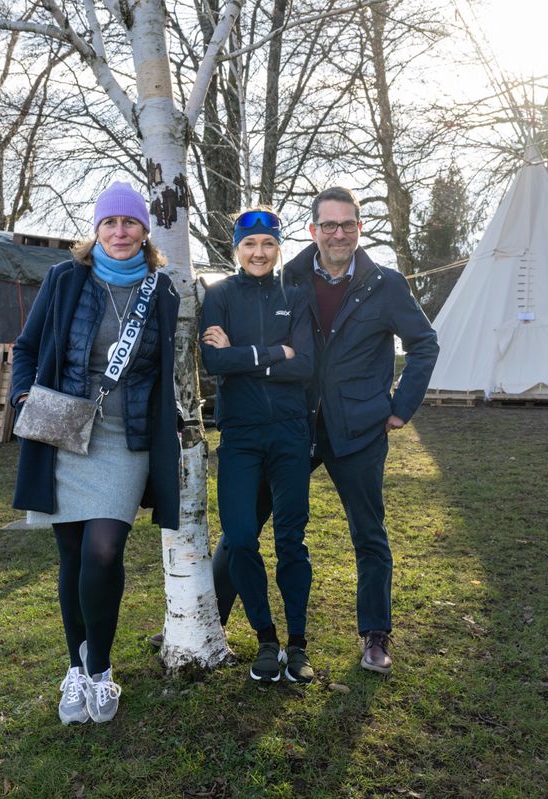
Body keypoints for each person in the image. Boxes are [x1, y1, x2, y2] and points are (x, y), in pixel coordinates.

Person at [211, 187, 438, 675]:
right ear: (313, 231)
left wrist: (402, 406)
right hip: (292, 424)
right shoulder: (288, 275)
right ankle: (207, 622)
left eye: (348, 224)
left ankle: (375, 634)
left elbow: (425, 344)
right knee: (240, 529)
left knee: (368, 533)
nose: (338, 233)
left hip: (356, 428)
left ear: (359, 228)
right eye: (328, 225)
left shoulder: (385, 284)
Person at [10, 181, 180, 724]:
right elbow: (28, 346)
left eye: (130, 223)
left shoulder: (163, 291)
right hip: (63, 431)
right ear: (97, 230)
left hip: (123, 438)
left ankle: (101, 671)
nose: (120, 231)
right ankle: (75, 669)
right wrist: (21, 394)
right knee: (73, 556)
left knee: (104, 550)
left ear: (145, 232)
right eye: (110, 223)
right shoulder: (65, 278)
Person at [200, 208, 317, 683]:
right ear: (236, 250)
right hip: (241, 436)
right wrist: (272, 355)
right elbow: (214, 361)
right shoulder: (221, 295)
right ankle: (265, 638)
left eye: (268, 243)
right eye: (249, 245)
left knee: (291, 540)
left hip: (290, 433)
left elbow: (306, 364)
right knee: (242, 538)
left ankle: (298, 645)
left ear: (279, 247)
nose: (259, 253)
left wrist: (241, 358)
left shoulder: (298, 296)